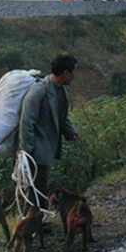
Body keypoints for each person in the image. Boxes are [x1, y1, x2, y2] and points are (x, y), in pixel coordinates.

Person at [18, 54, 81, 210]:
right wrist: (25, 152)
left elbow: (61, 116)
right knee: (34, 185)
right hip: (35, 146)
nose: (75, 75)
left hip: (47, 144)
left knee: (40, 183)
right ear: (66, 73)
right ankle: (31, 224)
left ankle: (38, 221)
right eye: (73, 71)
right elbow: (26, 122)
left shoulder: (63, 90)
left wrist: (70, 131)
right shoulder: (39, 91)